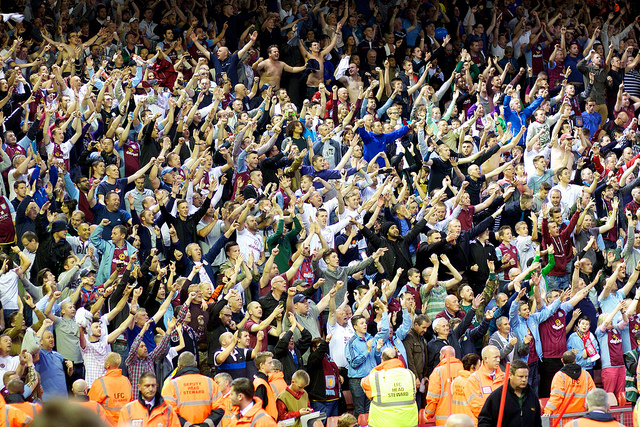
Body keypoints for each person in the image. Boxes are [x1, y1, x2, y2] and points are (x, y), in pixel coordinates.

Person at [162, 351, 225, 426]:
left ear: (179, 366)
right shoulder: (210, 382)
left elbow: (168, 410)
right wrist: (205, 425)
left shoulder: (171, 385)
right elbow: (220, 408)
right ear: (195, 364)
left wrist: (187, 425)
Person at [361, 347, 418, 427]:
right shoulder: (410, 374)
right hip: (409, 423)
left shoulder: (375, 376)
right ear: (398, 358)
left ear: (382, 360)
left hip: (381, 424)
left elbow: (364, 385)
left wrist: (375, 370)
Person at [478, 359, 542, 427]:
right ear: (511, 375)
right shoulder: (498, 396)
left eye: (526, 377)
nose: (524, 380)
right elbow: (484, 421)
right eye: (520, 377)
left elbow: (537, 422)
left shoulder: (532, 395)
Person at [88, 352, 133, 426]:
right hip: (124, 422)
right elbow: (130, 401)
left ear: (108, 365)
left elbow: (91, 405)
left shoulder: (100, 382)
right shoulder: (126, 380)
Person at [544, 351, 596, 415]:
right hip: (581, 416)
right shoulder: (586, 375)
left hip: (563, 418)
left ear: (562, 360)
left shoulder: (560, 376)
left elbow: (556, 397)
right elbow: (593, 395)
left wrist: (548, 410)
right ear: (575, 360)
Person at [426, 346, 464, 426]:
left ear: (443, 356)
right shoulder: (464, 369)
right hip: (462, 419)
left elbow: (433, 397)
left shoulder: (438, 371)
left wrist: (428, 413)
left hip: (444, 420)